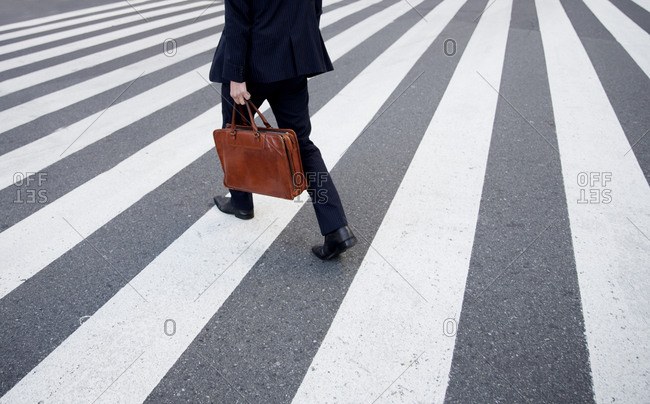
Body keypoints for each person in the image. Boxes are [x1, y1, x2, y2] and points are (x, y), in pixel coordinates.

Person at [209, 0, 356, 260]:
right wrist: (296, 47)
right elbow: (314, 8)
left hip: (252, 65)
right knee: (301, 144)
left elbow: (237, 22)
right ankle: (336, 228)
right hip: (293, 62)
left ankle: (241, 203)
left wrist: (236, 76)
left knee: (235, 133)